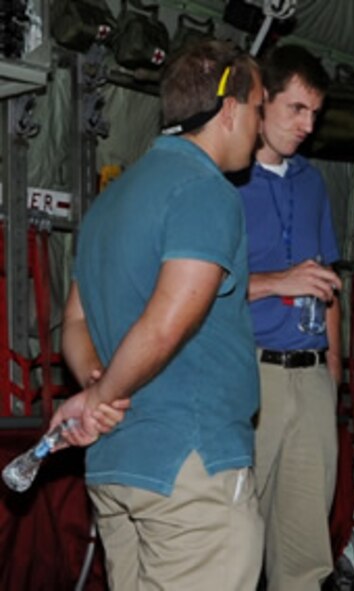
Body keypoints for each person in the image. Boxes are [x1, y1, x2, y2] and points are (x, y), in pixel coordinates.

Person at [50, 40, 265, 591]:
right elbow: (171, 319)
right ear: (231, 108)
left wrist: (99, 389)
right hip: (189, 466)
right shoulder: (204, 191)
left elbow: (73, 323)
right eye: (260, 109)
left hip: (118, 465)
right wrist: (100, 398)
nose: (260, 129)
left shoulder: (112, 200)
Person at [236, 44, 342, 591]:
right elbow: (193, 290)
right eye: (296, 110)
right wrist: (278, 282)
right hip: (250, 380)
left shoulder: (313, 183)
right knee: (234, 539)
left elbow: (328, 288)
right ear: (261, 102)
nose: (307, 125)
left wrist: (333, 378)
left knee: (305, 555)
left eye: (315, 115)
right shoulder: (223, 182)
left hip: (312, 380)